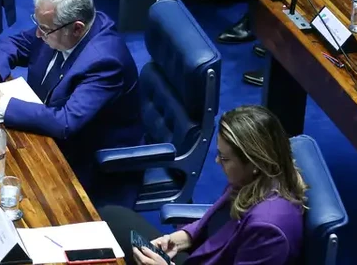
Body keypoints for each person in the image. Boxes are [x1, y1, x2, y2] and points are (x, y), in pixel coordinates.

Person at [0, 0, 143, 206]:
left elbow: (66, 123)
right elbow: (16, 43)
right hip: (46, 135)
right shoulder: (59, 28)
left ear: (77, 28)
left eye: (45, 30)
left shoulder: (105, 61)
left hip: (86, 160)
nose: (38, 34)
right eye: (38, 25)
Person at [100, 105, 306, 265]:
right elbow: (219, 220)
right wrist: (181, 239)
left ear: (254, 163)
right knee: (111, 217)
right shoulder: (256, 177)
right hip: (200, 255)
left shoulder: (269, 232)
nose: (217, 162)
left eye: (225, 158)